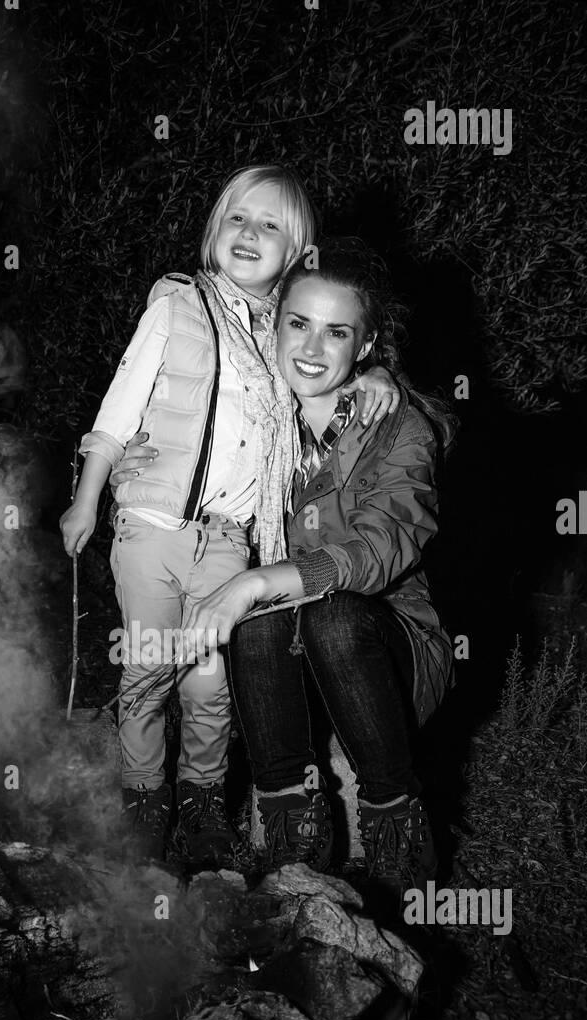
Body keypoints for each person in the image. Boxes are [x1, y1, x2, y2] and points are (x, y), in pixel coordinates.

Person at [60, 168, 399, 863]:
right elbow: (118, 411)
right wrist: (85, 499)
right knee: (149, 670)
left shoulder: (282, 333)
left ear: (297, 248)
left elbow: (322, 374)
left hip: (229, 539)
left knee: (209, 675)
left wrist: (374, 372)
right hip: (151, 527)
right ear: (215, 229)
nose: (250, 234)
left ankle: (203, 805)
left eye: (271, 225)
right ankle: (143, 798)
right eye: (238, 219)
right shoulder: (177, 307)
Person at [179, 237, 454, 906]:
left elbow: (382, 547)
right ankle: (291, 839)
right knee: (260, 626)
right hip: (280, 657)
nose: (310, 346)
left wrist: (251, 581)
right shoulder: (254, 415)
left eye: (337, 333)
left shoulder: (399, 429)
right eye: (298, 323)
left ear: (364, 347)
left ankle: (394, 831)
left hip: (385, 653)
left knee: (324, 613)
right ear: (274, 325)